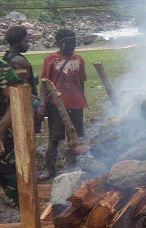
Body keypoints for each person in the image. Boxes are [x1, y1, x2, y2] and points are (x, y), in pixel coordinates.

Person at [38, 29, 88, 178]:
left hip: (76, 103)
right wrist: (43, 103)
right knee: (54, 137)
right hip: (56, 104)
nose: (72, 47)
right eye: (69, 43)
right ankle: (50, 169)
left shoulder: (79, 59)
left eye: (74, 43)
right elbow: (44, 83)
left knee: (75, 137)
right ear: (59, 44)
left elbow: (81, 82)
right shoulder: (51, 59)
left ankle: (74, 166)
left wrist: (81, 98)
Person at [4, 26, 43, 133]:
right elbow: (23, 89)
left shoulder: (8, 56)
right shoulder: (19, 61)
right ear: (17, 43)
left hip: (12, 103)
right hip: (23, 103)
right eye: (26, 41)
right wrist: (40, 103)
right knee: (27, 134)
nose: (28, 44)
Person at [0, 60, 23, 206]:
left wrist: (1, 128)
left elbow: (17, 99)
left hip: (3, 137)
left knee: (13, 182)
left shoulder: (1, 68)